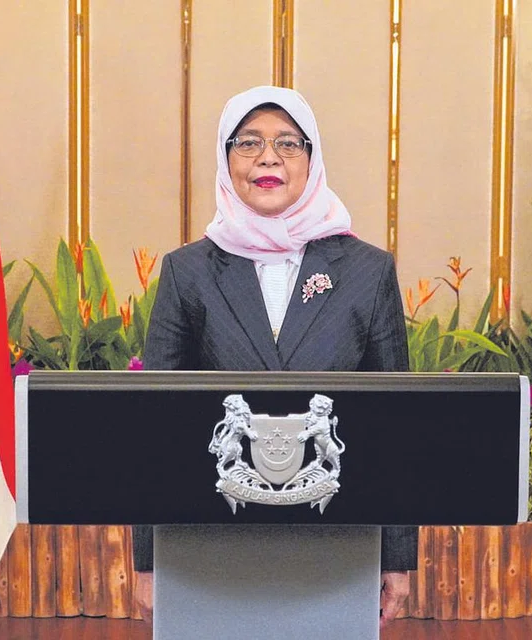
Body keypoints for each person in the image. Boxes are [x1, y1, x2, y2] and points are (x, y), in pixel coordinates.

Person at [133, 85, 417, 629]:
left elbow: (394, 423)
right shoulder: (187, 272)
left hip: (338, 533)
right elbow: (155, 423)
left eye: (288, 143)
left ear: (311, 160)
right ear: (225, 158)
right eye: (249, 143)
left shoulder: (366, 271)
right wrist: (148, 559)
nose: (268, 157)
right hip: (209, 538)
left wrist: (398, 556)